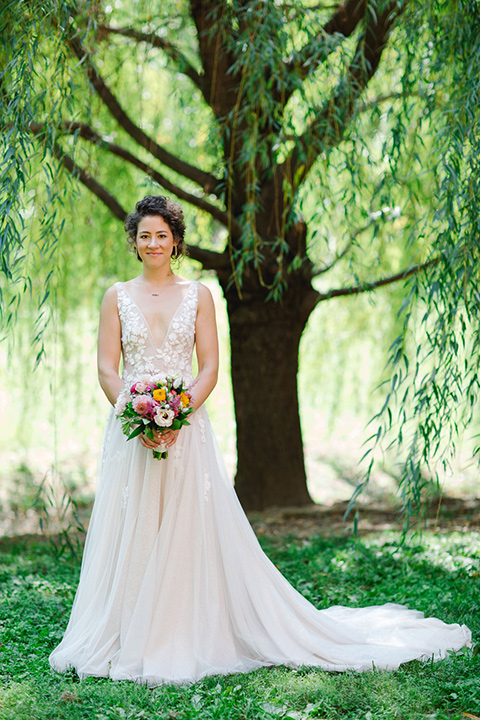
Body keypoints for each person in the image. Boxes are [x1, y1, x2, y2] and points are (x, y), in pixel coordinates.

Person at [49, 195, 471, 685]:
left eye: (161, 235)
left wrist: (178, 412)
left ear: (177, 241)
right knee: (134, 524)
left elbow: (209, 365)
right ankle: (125, 628)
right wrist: (137, 412)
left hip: (186, 429)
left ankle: (179, 628)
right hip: (131, 429)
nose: (153, 243)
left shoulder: (200, 295)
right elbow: (106, 366)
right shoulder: (116, 295)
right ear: (134, 242)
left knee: (186, 526)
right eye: (144, 235)